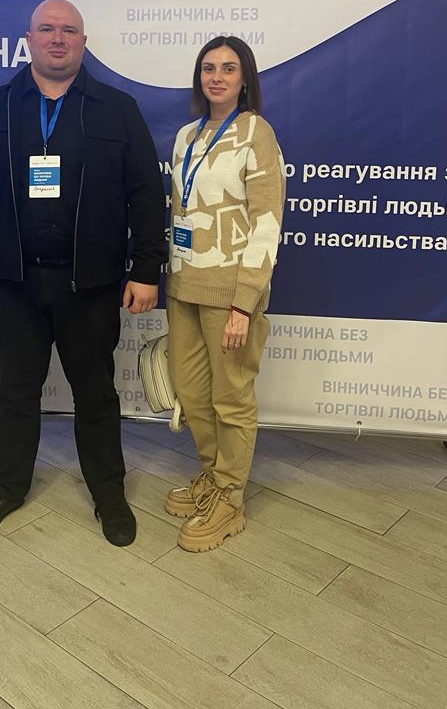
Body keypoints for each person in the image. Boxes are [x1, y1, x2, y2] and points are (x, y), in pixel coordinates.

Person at [0, 0, 166, 546]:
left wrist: (146, 268)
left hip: (89, 285)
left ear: (84, 42)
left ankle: (108, 492)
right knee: (15, 392)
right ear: (29, 40)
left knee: (96, 395)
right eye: (47, 29)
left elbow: (145, 194)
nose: (58, 38)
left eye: (69, 30)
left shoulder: (118, 109)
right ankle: (5, 487)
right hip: (16, 282)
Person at [165, 36, 285, 552]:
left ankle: (230, 498)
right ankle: (213, 477)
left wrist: (243, 303)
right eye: (209, 67)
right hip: (183, 286)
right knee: (192, 394)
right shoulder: (186, 135)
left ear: (244, 78)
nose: (216, 77)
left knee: (230, 398)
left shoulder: (257, 133)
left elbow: (266, 223)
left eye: (228, 68)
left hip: (230, 292)